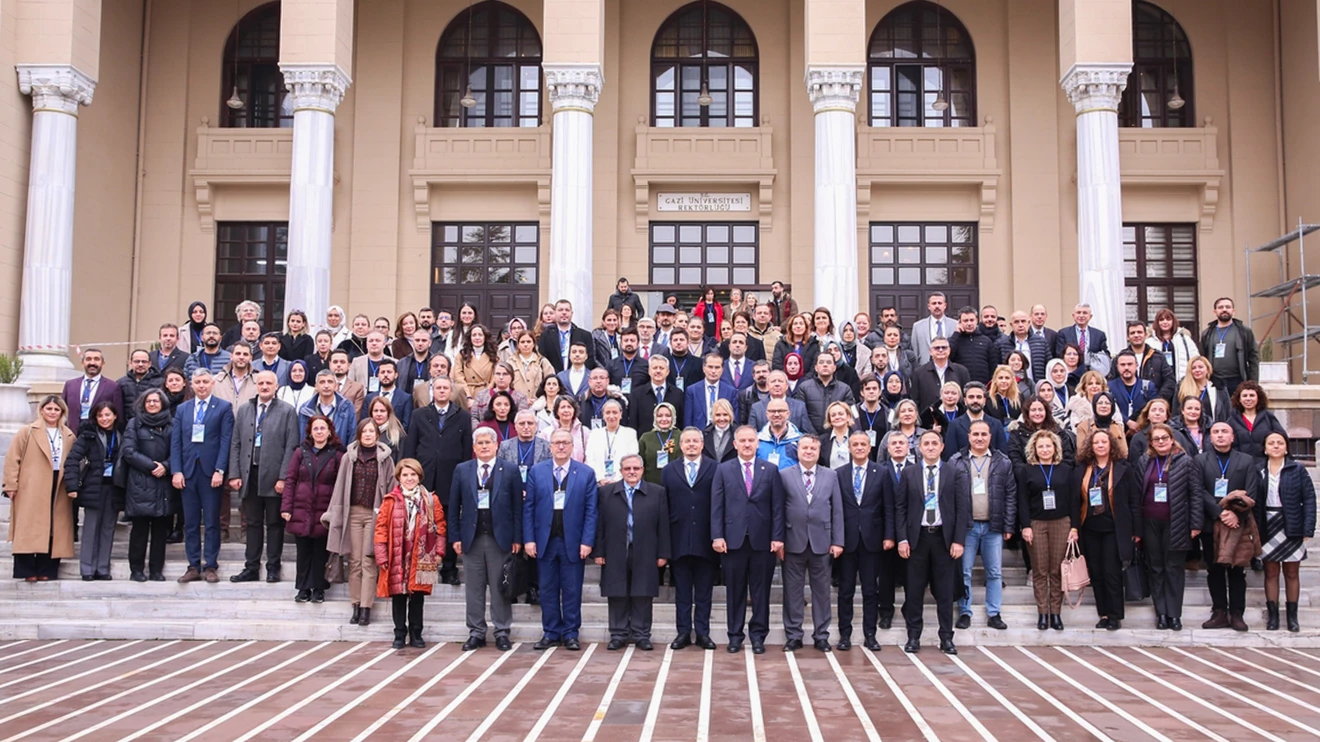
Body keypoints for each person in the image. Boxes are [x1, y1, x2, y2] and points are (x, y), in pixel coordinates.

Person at [712, 425, 786, 654]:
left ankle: (758, 636)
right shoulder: (723, 470)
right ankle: (735, 636)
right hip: (733, 541)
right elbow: (717, 505)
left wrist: (777, 537)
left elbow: (777, 507)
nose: (746, 444)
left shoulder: (770, 470)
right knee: (735, 591)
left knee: (760, 591)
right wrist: (717, 535)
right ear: (734, 444)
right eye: (742, 440)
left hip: (762, 541)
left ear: (757, 444)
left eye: (751, 440)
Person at [449, 427, 523, 651]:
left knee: (500, 587)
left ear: (496, 445)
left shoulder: (509, 470)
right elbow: (454, 506)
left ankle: (501, 631)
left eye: (487, 442)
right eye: (479, 443)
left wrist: (517, 537)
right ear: (473, 447)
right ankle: (476, 631)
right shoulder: (462, 470)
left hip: (500, 538)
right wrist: (455, 537)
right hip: (471, 538)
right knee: (474, 587)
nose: (484, 446)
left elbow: (517, 509)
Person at [524, 428, 598, 651]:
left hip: (573, 542)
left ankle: (571, 633)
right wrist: (529, 540)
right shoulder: (537, 472)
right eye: (557, 443)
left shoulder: (585, 473)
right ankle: (551, 632)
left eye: (565, 442)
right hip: (545, 541)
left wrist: (587, 541)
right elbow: (528, 509)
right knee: (547, 589)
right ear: (550, 446)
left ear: (572, 446)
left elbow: (591, 510)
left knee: (572, 589)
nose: (561, 447)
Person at [897, 431, 969, 655]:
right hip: (917, 538)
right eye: (925, 443)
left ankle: (946, 638)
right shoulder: (909, 473)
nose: (929, 447)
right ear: (919, 447)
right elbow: (900, 508)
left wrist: (958, 540)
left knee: (945, 591)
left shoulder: (953, 472)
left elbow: (962, 508)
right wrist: (902, 538)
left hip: (943, 539)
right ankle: (913, 636)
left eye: (934, 443)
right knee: (915, 590)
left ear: (942, 447)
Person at [227, 372, 300, 584]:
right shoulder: (245, 410)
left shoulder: (287, 411)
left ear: (277, 386)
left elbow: (291, 446)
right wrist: (235, 473)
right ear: (256, 385)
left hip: (274, 476)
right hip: (250, 474)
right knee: (252, 523)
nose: (265, 386)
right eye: (261, 383)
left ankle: (273, 567)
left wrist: (284, 477)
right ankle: (251, 567)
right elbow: (236, 443)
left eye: (269, 383)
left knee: (275, 524)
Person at [593, 454, 670, 651]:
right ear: (621, 471)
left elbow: (663, 526)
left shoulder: (656, 492)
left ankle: (641, 633)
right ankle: (618, 633)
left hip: (646, 550)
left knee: (643, 593)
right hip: (615, 549)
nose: (632, 472)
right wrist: (599, 551)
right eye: (627, 469)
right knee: (616, 592)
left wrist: (663, 553)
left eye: (636, 468)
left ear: (643, 470)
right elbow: (600, 524)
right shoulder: (607, 492)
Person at [324, 419, 395, 628]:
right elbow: (340, 487)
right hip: (352, 513)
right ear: (358, 434)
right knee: (354, 561)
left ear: (377, 434)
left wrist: (388, 514)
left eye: (371, 431)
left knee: (368, 560)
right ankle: (355, 604)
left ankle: (366, 607)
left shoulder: (385, 459)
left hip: (375, 514)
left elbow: (391, 488)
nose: (367, 435)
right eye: (364, 431)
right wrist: (333, 514)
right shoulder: (349, 457)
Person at [402, 376, 472, 586]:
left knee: (449, 523)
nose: (442, 391)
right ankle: (423, 564)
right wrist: (409, 475)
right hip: (425, 478)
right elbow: (410, 447)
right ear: (432, 391)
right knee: (423, 524)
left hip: (451, 479)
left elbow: (467, 450)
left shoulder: (463, 417)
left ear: (451, 392)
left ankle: (449, 568)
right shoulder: (419, 415)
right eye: (438, 388)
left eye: (445, 388)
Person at [778, 435, 843, 653]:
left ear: (819, 451)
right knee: (792, 591)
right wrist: (779, 540)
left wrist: (838, 541)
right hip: (792, 541)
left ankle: (821, 635)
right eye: (805, 448)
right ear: (797, 451)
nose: (808, 451)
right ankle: (794, 634)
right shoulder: (784, 476)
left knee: (822, 592)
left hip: (822, 543)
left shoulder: (831, 476)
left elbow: (837, 511)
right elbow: (778, 510)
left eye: (813, 448)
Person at [1071, 428, 1141, 630]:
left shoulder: (1123, 469)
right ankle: (1103, 614)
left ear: (1111, 444)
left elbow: (1133, 501)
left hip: (1115, 529)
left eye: (1104, 442)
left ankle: (1115, 615)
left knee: (1112, 572)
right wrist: (1074, 528)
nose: (1100, 445)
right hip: (1090, 528)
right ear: (1091, 447)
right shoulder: (1082, 469)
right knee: (1097, 572)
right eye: (1096, 442)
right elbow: (1075, 502)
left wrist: (1136, 530)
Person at [950, 419, 1017, 630]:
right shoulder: (956, 461)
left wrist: (1008, 526)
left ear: (990, 437)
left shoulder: (1003, 461)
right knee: (965, 572)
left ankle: (994, 612)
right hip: (966, 527)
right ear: (968, 436)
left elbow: (1010, 495)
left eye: (984, 434)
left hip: (993, 526)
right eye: (975, 434)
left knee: (995, 572)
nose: (979, 438)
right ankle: (965, 611)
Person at [1134, 422, 1200, 631]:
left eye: (1164, 438)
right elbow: (1136, 495)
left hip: (1177, 523)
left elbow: (1195, 494)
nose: (1161, 442)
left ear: (1172, 439)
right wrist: (1136, 528)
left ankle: (1174, 614)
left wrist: (1196, 523)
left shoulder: (1185, 462)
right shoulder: (1145, 461)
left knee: (1173, 569)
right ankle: (1161, 613)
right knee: (1156, 568)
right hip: (1150, 523)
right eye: (1156, 439)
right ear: (1151, 442)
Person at [375, 457, 447, 649]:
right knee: (398, 594)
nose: (409, 478)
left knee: (417, 595)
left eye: (413, 474)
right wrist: (381, 554)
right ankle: (399, 633)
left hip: (421, 553)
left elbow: (440, 526)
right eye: (405, 475)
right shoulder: (390, 500)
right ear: (398, 477)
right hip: (397, 551)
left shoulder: (431, 499)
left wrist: (439, 551)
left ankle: (416, 633)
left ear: (419, 476)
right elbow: (381, 528)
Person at [170, 369, 234, 583]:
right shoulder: (183, 409)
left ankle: (211, 565)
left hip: (211, 473)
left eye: (205, 381)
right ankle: (193, 565)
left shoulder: (223, 408)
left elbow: (226, 441)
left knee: (212, 521)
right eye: (197, 382)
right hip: (188, 472)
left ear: (212, 383)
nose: (202, 385)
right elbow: (176, 442)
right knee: (190, 522)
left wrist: (220, 470)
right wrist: (176, 470)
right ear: (192, 385)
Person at [662, 428, 718, 650]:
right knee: (683, 592)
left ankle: (703, 633)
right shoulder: (668, 470)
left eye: (696, 441)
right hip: (679, 538)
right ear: (681, 445)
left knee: (704, 591)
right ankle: (683, 632)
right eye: (687, 441)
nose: (692, 445)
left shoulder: (715, 468)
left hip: (707, 539)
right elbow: (663, 507)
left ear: (702, 444)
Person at [1196, 422, 1255, 632]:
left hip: (1237, 524)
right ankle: (1219, 611)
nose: (1220, 436)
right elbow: (1198, 490)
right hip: (1212, 523)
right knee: (1214, 569)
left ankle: (1237, 613)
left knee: (1237, 569)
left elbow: (1251, 492)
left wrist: (1233, 513)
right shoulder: (1200, 460)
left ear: (1232, 437)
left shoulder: (1246, 461)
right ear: (1210, 437)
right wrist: (1220, 512)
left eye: (1224, 432)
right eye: (1215, 432)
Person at [1255, 431, 1316, 633]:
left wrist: (1308, 527)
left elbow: (1309, 499)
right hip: (1267, 523)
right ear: (1265, 448)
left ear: (1286, 447)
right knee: (1271, 571)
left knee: (1291, 572)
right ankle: (1273, 617)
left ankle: (1292, 617)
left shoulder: (1297, 469)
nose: (1275, 446)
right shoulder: (1258, 470)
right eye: (1271, 443)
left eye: (1279, 443)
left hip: (1291, 522)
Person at [281, 415, 344, 604]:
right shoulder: (300, 452)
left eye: (322, 428)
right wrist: (286, 506)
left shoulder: (337, 455)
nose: (319, 432)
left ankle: (319, 589)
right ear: (310, 431)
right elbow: (290, 480)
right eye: (315, 429)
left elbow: (340, 484)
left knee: (320, 552)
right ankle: (303, 588)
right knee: (303, 551)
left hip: (324, 511)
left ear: (329, 431)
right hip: (301, 508)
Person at [834, 430, 885, 651]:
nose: (859, 448)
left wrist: (889, 536)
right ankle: (845, 634)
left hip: (872, 541)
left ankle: (870, 634)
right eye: (855, 444)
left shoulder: (881, 473)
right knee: (845, 590)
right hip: (846, 540)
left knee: (869, 591)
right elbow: (834, 509)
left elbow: (889, 507)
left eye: (863, 444)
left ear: (870, 447)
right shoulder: (839, 474)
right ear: (849, 448)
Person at [1017, 430, 1072, 630]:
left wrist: (1074, 526)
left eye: (1049, 446)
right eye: (1041, 446)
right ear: (1034, 449)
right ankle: (1042, 612)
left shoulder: (1065, 469)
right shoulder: (1026, 470)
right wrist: (1026, 526)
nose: (1045, 449)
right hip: (1036, 523)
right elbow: (1022, 500)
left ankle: (1055, 613)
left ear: (1055, 448)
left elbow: (1073, 499)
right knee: (1040, 570)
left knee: (1056, 570)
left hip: (1061, 522)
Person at [63, 402, 124, 581]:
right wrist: (72, 486)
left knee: (108, 528)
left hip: (114, 487)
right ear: (95, 418)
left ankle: (103, 568)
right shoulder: (88, 436)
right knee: (90, 528)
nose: (104, 419)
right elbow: (73, 460)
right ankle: (87, 568)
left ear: (115, 416)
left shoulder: (121, 435)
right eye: (100, 416)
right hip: (93, 487)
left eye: (107, 415)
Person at [1200, 297, 1258, 394]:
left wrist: (1253, 383)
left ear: (1233, 311)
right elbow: (1202, 358)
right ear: (1215, 311)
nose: (1224, 310)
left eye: (1228, 307)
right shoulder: (1207, 333)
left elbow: (1254, 357)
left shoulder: (1243, 331)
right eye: (1220, 307)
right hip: (1215, 380)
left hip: (1238, 380)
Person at [62, 348, 124, 429]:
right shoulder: (70, 385)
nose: (92, 363)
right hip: (73, 432)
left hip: (99, 434)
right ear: (82, 363)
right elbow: (62, 410)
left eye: (97, 359)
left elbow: (118, 416)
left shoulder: (113, 387)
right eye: (88, 359)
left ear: (103, 363)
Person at [1007, 396, 1077, 467]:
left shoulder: (1058, 431)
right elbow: (1015, 458)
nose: (1037, 413)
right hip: (1028, 475)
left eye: (1040, 410)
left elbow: (1068, 457)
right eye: (1033, 410)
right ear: (1027, 412)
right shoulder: (1017, 432)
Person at [584, 399, 639, 486]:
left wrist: (617, 479)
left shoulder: (630, 433)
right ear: (603, 415)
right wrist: (600, 478)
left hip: (622, 482)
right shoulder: (594, 434)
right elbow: (590, 459)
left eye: (615, 412)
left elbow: (631, 459)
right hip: (599, 483)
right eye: (608, 412)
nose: (611, 416)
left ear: (621, 414)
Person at [627, 355, 686, 434]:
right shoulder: (637, 394)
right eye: (654, 368)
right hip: (645, 442)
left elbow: (681, 421)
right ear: (649, 371)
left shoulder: (678, 394)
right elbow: (633, 423)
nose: (658, 371)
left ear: (667, 372)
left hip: (672, 442)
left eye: (661, 368)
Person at [1227, 381, 1285, 459]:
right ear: (1239, 399)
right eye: (1244, 396)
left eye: (1252, 395)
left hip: (1265, 464)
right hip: (1241, 466)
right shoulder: (1232, 420)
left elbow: (1281, 438)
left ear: (1258, 398)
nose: (1248, 399)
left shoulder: (1268, 417)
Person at [298, 369, 358, 446]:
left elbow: (352, 435)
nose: (326, 386)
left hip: (339, 455)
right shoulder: (305, 409)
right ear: (316, 386)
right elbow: (303, 438)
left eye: (330, 382)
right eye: (322, 382)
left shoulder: (347, 406)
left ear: (336, 386)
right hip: (313, 455)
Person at [910, 337, 970, 413]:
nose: (940, 350)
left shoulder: (961, 371)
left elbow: (966, 398)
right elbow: (915, 400)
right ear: (930, 351)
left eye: (944, 347)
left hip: (956, 419)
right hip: (928, 421)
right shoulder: (919, 372)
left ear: (949, 350)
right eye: (937, 348)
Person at [1108, 350, 1160, 431]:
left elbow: (1153, 409)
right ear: (1117, 367)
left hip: (1143, 431)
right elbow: (1108, 409)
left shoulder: (1148, 386)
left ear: (1136, 365)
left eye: (1130, 364)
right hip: (1118, 431)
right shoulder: (1109, 387)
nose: (1126, 368)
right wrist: (1127, 421)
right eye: (1122, 365)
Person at [538, 299, 594, 374]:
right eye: (560, 310)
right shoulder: (545, 335)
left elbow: (590, 359)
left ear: (571, 313)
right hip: (553, 378)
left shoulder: (585, 335)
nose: (564, 312)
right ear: (555, 313)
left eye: (567, 310)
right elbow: (543, 358)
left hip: (577, 376)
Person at [684, 353, 737, 429]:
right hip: (699, 434)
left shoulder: (731, 391)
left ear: (722, 369)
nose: (713, 371)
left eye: (717, 367)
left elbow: (734, 420)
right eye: (710, 367)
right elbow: (688, 420)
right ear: (703, 368)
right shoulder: (692, 390)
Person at [949, 307, 1000, 384]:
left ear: (977, 320)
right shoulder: (955, 340)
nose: (969, 323)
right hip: (960, 384)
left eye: (972, 320)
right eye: (965, 321)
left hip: (983, 386)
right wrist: (956, 334)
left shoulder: (986, 341)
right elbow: (948, 355)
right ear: (959, 322)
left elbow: (993, 366)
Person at [1147, 308, 1199, 383]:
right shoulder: (1150, 341)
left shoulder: (1184, 339)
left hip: (1182, 382)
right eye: (1161, 320)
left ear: (1173, 321)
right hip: (1159, 385)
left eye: (1168, 319)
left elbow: (1195, 359)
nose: (1165, 322)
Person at [1055, 304, 1110, 374]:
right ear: (1073, 316)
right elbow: (1059, 354)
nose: (1081, 315)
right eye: (1078, 313)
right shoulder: (1063, 333)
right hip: (1071, 373)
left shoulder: (1099, 335)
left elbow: (1105, 355)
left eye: (1085, 313)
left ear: (1090, 316)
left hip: (1092, 373)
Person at [1074, 391, 1129, 462]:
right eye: (1100, 403)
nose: (1103, 406)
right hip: (1090, 465)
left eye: (1107, 403)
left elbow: (1124, 453)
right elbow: (1081, 453)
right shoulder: (1083, 426)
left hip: (1115, 465)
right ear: (1094, 406)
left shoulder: (1118, 427)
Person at [363, 358, 415, 432]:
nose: (385, 375)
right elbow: (365, 421)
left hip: (396, 439)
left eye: (389, 372)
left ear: (396, 375)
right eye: (382, 372)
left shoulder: (406, 398)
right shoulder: (369, 398)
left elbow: (406, 424)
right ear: (378, 375)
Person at [1176, 355, 1230, 423]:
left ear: (1207, 369)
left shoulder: (1219, 387)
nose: (1197, 370)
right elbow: (1176, 412)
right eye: (1193, 368)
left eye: (1200, 367)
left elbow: (1228, 410)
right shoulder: (1181, 387)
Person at [638, 402, 680, 483]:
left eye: (668, 416)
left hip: (675, 484)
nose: (664, 419)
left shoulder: (681, 436)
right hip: (651, 485)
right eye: (660, 416)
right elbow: (640, 464)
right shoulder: (646, 437)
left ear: (673, 417)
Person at [117, 349, 162, 423]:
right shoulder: (121, 383)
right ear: (130, 363)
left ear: (149, 364)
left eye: (144, 361)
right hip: (127, 427)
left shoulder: (160, 383)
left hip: (152, 426)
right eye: (137, 361)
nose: (140, 364)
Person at [540, 396, 588, 463]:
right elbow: (542, 457)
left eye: (569, 407)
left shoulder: (584, 432)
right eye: (563, 407)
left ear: (574, 410)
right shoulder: (546, 432)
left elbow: (588, 457)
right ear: (557, 411)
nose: (566, 410)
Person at [757, 399, 802, 470]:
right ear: (767, 414)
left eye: (781, 411)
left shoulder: (800, 440)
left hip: (789, 480)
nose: (776, 414)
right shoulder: (757, 440)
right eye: (772, 411)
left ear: (788, 414)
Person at [910, 292, 952, 366]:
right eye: (934, 303)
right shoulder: (918, 326)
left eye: (939, 303)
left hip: (950, 368)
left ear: (945, 305)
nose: (937, 306)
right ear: (929, 306)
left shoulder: (955, 325)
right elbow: (915, 352)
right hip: (925, 368)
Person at [456, 324, 499, 392]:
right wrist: (467, 395)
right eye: (474, 335)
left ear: (485, 337)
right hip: (468, 393)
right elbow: (458, 376)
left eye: (480, 335)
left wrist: (487, 392)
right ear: (470, 338)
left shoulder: (493, 355)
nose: (477, 338)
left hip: (487, 393)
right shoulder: (462, 355)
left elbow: (496, 376)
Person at [818, 401, 855, 470]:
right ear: (829, 420)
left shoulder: (858, 438)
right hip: (830, 479)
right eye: (833, 415)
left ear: (848, 416)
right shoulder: (821, 441)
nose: (837, 417)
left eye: (841, 414)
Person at [703, 398, 738, 464]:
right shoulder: (704, 434)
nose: (722, 419)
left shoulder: (738, 434)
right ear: (713, 416)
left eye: (725, 415)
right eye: (718, 415)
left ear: (730, 416)